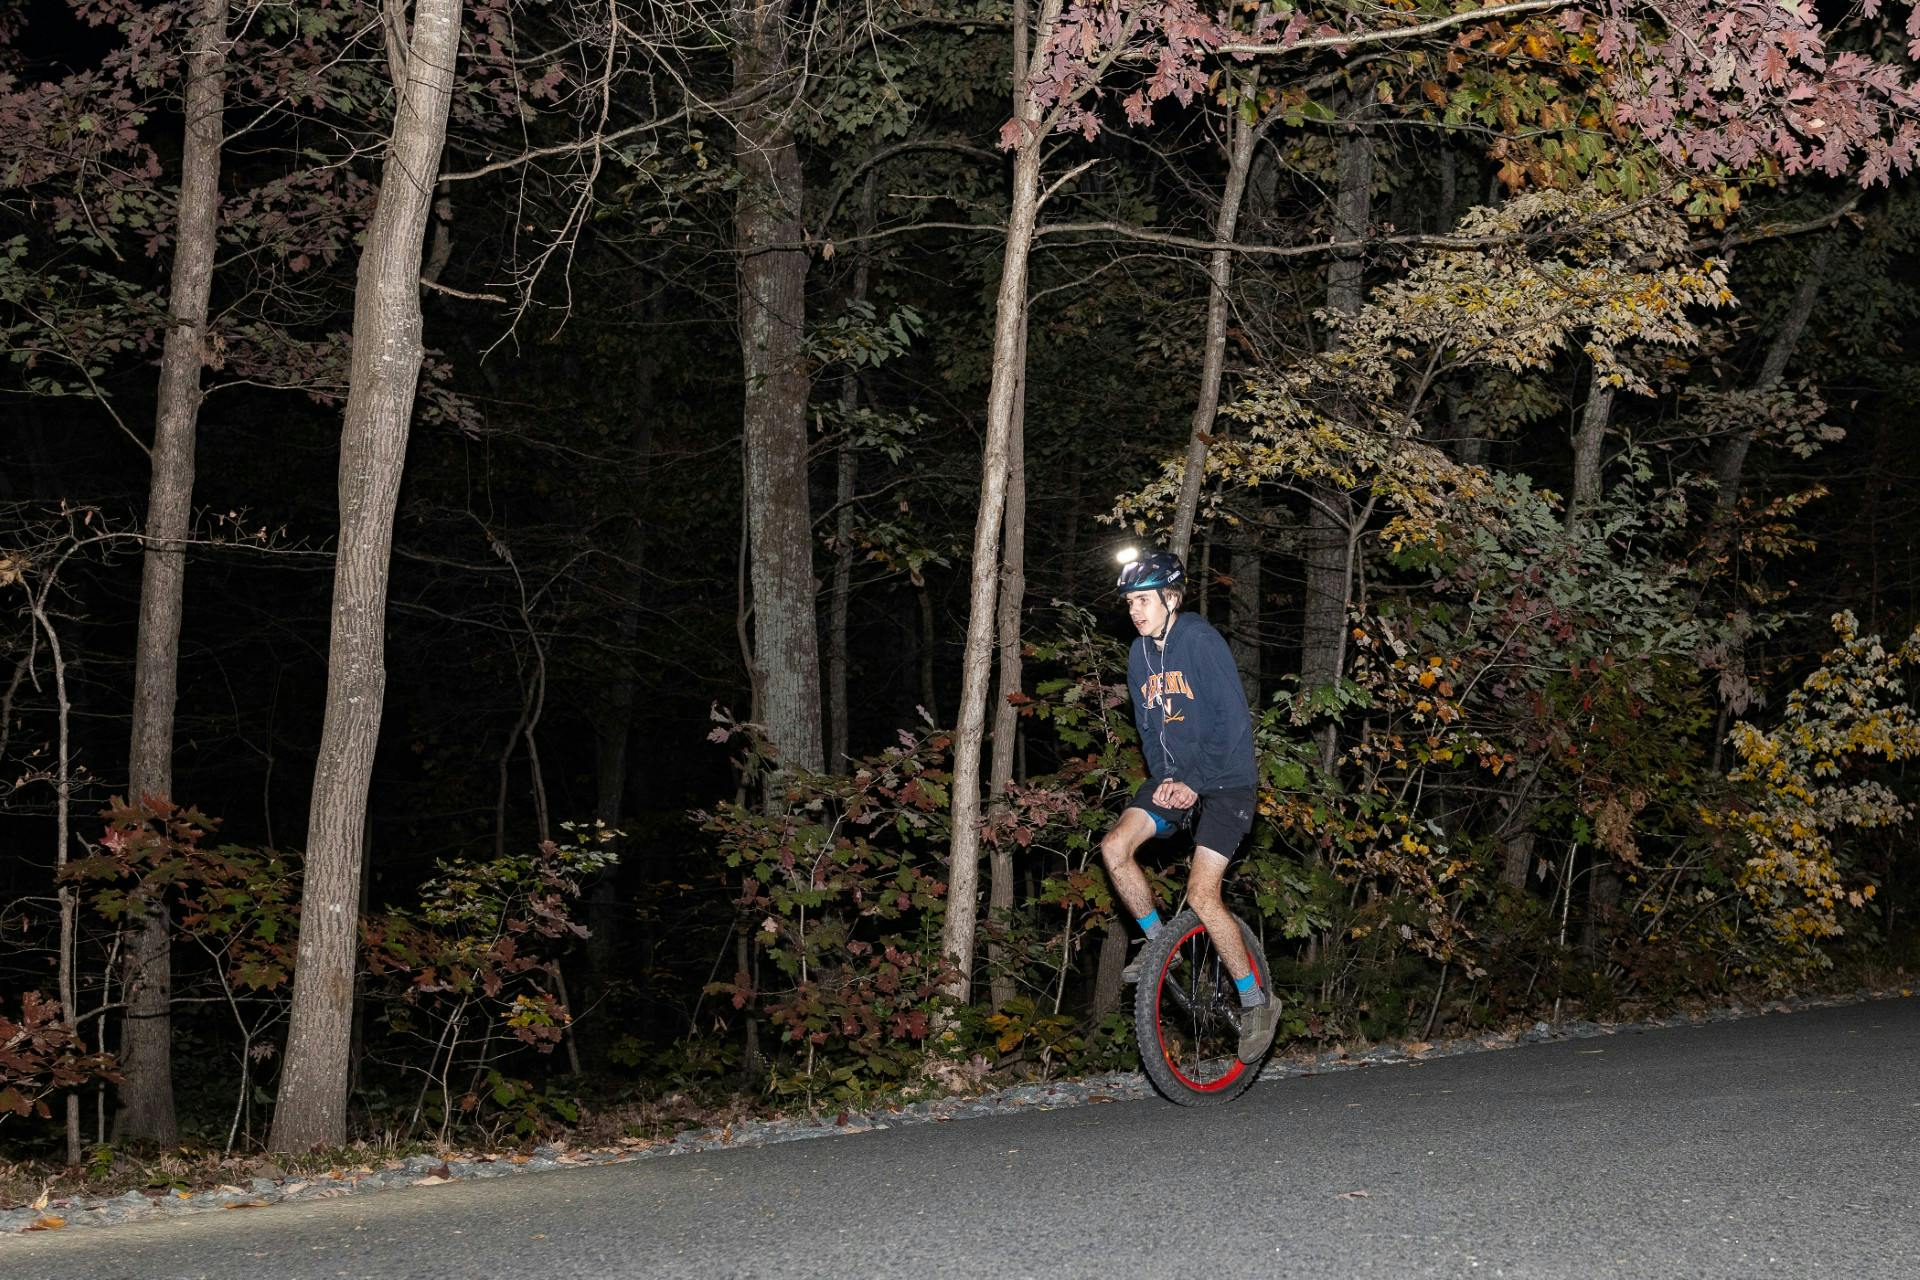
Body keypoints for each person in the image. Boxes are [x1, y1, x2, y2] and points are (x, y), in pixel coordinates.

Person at [1102, 549, 1279, 1063]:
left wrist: (1196, 782)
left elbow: (1233, 725)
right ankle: (1159, 946)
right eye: (1129, 602)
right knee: (1115, 847)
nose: (1135, 611)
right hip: (1177, 783)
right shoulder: (1139, 656)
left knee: (1202, 895)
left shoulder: (1199, 641)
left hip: (1226, 783)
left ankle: (1255, 1000)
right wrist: (1165, 781)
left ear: (1171, 598)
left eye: (1143, 600)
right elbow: (1148, 730)